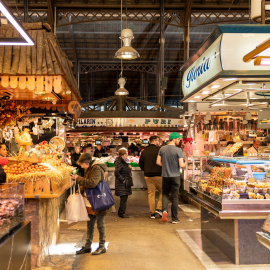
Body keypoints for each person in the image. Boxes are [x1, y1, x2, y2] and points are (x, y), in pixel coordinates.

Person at [72, 153, 107, 256]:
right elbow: (87, 182)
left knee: (100, 225)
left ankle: (102, 246)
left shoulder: (96, 168)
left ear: (87, 163)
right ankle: (87, 246)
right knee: (90, 224)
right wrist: (80, 190)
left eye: (82, 164)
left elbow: (92, 183)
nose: (81, 166)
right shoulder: (89, 168)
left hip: (99, 200)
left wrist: (78, 179)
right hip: (91, 201)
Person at [156, 132, 186, 224]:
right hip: (175, 176)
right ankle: (174, 218)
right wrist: (186, 163)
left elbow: (158, 162)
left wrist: (165, 166)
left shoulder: (162, 148)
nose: (179, 141)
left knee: (165, 194)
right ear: (174, 139)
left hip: (165, 176)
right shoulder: (178, 150)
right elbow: (181, 165)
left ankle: (164, 210)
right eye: (178, 139)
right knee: (174, 197)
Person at [139, 136, 162, 219]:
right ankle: (159, 208)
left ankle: (152, 213)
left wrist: (145, 170)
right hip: (158, 174)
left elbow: (140, 163)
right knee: (163, 191)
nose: (159, 142)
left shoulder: (144, 151)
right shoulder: (159, 150)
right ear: (155, 141)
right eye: (158, 140)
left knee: (151, 193)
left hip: (148, 175)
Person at [114, 148, 133, 218]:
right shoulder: (119, 161)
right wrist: (123, 180)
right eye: (126, 154)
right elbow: (116, 172)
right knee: (123, 198)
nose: (126, 156)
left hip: (124, 183)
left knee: (124, 198)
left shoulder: (122, 161)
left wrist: (128, 167)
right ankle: (122, 213)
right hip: (122, 183)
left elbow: (123, 169)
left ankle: (121, 212)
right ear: (123, 155)